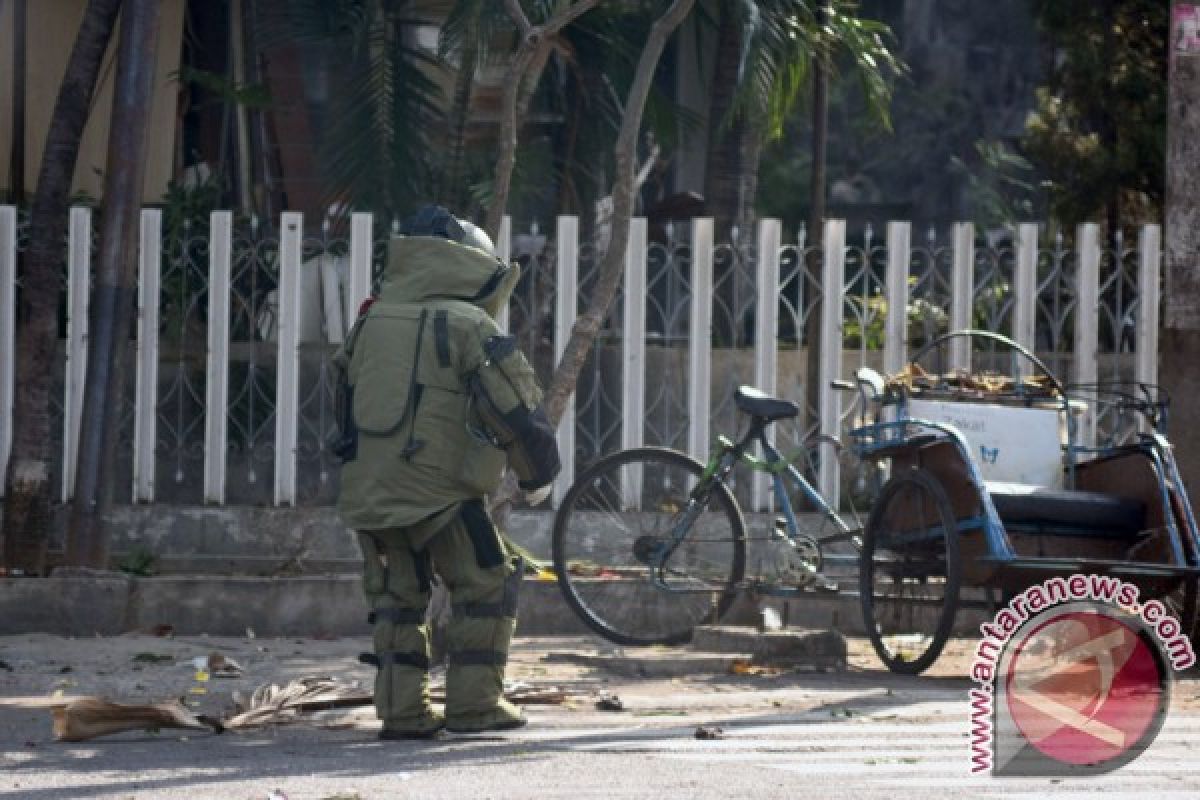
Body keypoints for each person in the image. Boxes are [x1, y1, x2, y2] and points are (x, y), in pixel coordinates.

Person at [334, 205, 559, 739]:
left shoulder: (372, 318)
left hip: (369, 487)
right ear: (468, 263)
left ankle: (402, 714)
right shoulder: (468, 324)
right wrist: (538, 474)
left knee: (396, 600)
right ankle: (476, 706)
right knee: (486, 583)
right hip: (442, 493)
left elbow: (344, 401)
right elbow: (513, 407)